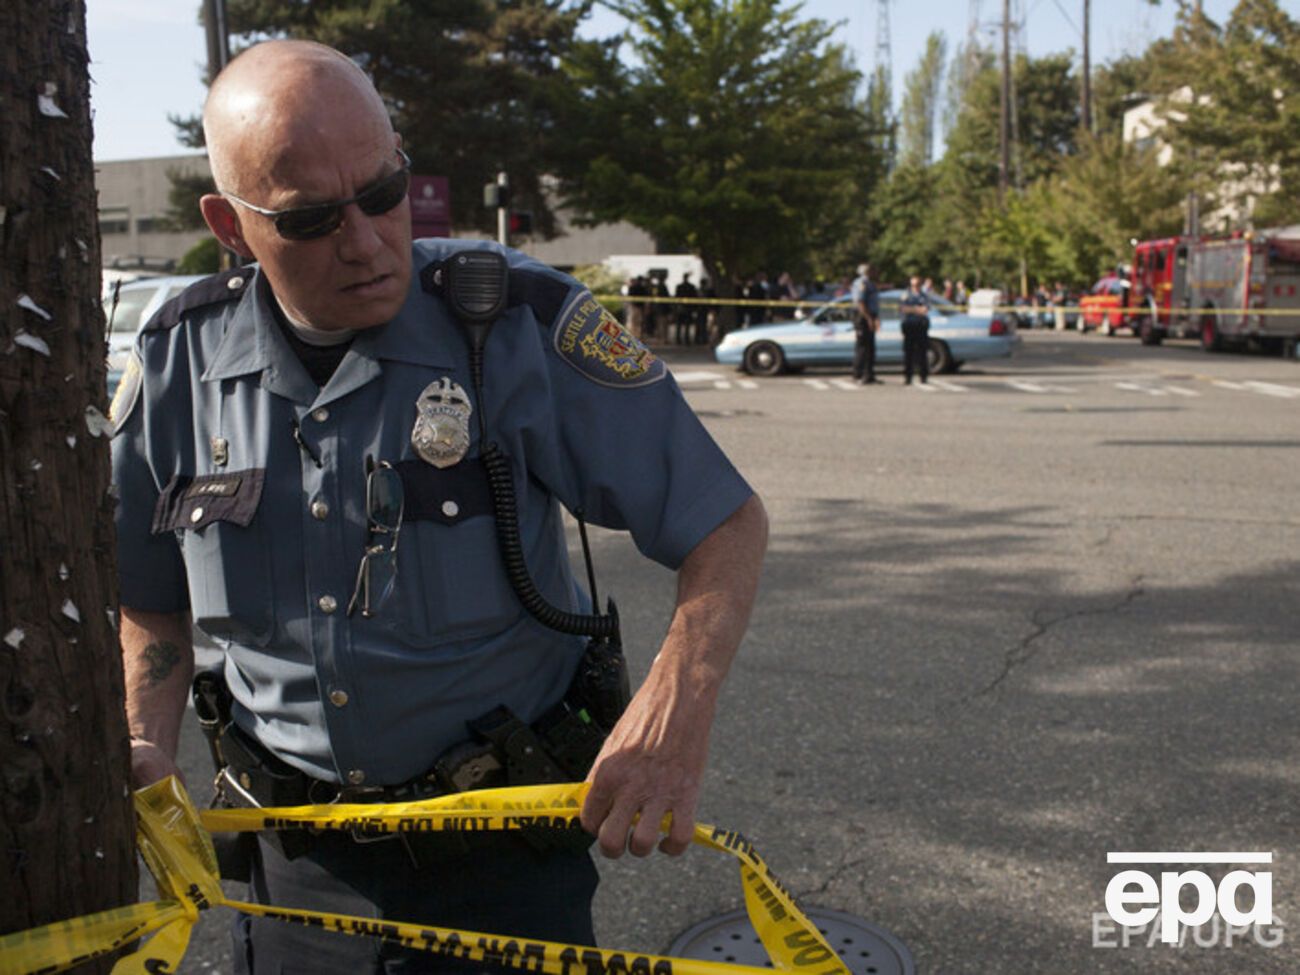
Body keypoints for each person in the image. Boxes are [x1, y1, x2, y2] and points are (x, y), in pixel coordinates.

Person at [110, 40, 767, 975]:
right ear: (229, 223)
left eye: (383, 193)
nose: (369, 240)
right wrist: (144, 733)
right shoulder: (180, 360)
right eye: (311, 219)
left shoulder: (512, 323)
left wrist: (676, 706)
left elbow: (725, 522)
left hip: (502, 868)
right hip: (289, 869)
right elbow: (148, 591)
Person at [850, 262, 881, 385]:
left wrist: (875, 318)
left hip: (870, 316)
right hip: (863, 317)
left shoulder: (870, 283)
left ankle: (869, 374)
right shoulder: (861, 283)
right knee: (862, 347)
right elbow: (861, 303)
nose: (874, 272)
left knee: (870, 348)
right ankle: (858, 374)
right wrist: (869, 319)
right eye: (872, 270)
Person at [900, 275, 932, 385]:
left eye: (917, 285)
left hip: (921, 326)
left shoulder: (924, 295)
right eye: (913, 285)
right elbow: (903, 309)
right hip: (909, 326)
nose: (915, 287)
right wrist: (917, 309)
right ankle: (908, 377)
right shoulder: (905, 295)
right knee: (908, 353)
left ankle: (923, 376)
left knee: (922, 353)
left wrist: (912, 309)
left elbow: (925, 309)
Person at [673, 272, 699, 345]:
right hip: (687, 308)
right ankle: (685, 340)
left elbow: (676, 297)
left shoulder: (680, 286)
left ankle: (679, 340)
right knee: (685, 325)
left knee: (680, 325)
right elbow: (694, 297)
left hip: (682, 308)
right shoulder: (691, 287)